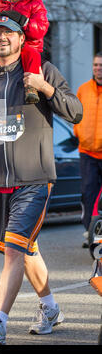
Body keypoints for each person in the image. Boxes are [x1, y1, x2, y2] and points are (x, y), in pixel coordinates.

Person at [0, 11, 82, 345]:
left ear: (21, 38)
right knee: (24, 251)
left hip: (34, 177)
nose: (2, 38)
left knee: (15, 249)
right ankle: (50, 307)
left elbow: (76, 111)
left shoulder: (42, 71)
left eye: (9, 33)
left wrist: (44, 88)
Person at [73, 53, 102, 248]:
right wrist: (78, 132)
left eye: (101, 65)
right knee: (88, 192)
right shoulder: (83, 90)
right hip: (87, 152)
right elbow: (75, 115)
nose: (98, 68)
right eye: (96, 65)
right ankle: (90, 232)